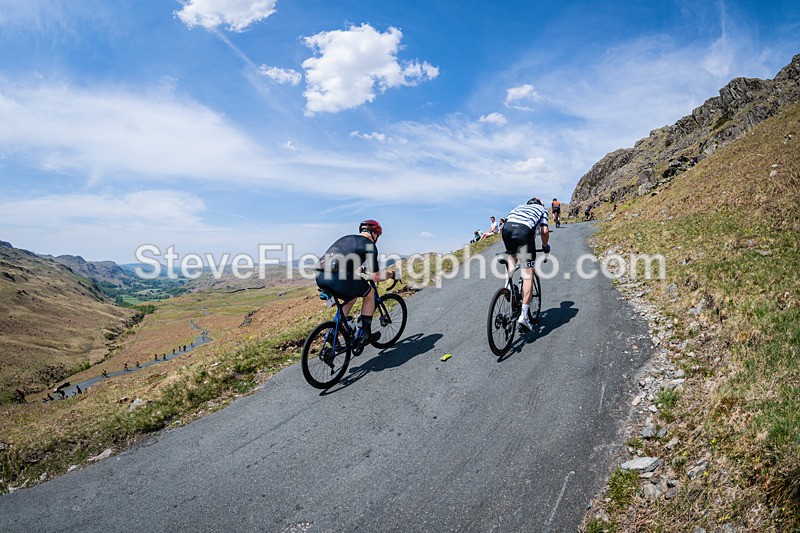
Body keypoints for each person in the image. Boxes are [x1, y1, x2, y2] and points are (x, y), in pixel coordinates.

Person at [315, 219, 396, 344]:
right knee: (370, 293)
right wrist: (392, 274)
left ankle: (333, 333)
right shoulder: (369, 245)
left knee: (351, 297)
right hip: (338, 277)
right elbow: (376, 277)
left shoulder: (347, 238)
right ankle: (366, 334)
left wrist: (359, 271)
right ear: (374, 234)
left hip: (320, 275)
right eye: (378, 237)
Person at [501, 197, 550, 331]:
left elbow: (505, 223)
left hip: (507, 229)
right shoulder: (541, 209)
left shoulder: (518, 207)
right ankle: (524, 315)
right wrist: (545, 246)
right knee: (527, 272)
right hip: (524, 232)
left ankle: (507, 286)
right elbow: (544, 231)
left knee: (512, 255)